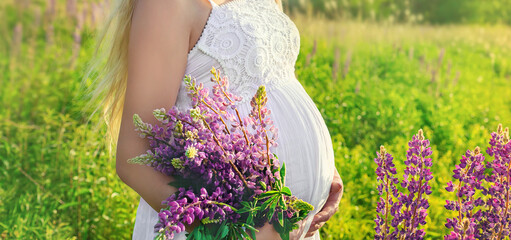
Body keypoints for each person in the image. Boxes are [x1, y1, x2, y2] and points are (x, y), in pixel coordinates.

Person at [84, 0, 343, 239]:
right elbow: (134, 161)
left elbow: (276, 76)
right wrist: (239, 234)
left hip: (292, 224)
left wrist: (322, 172)